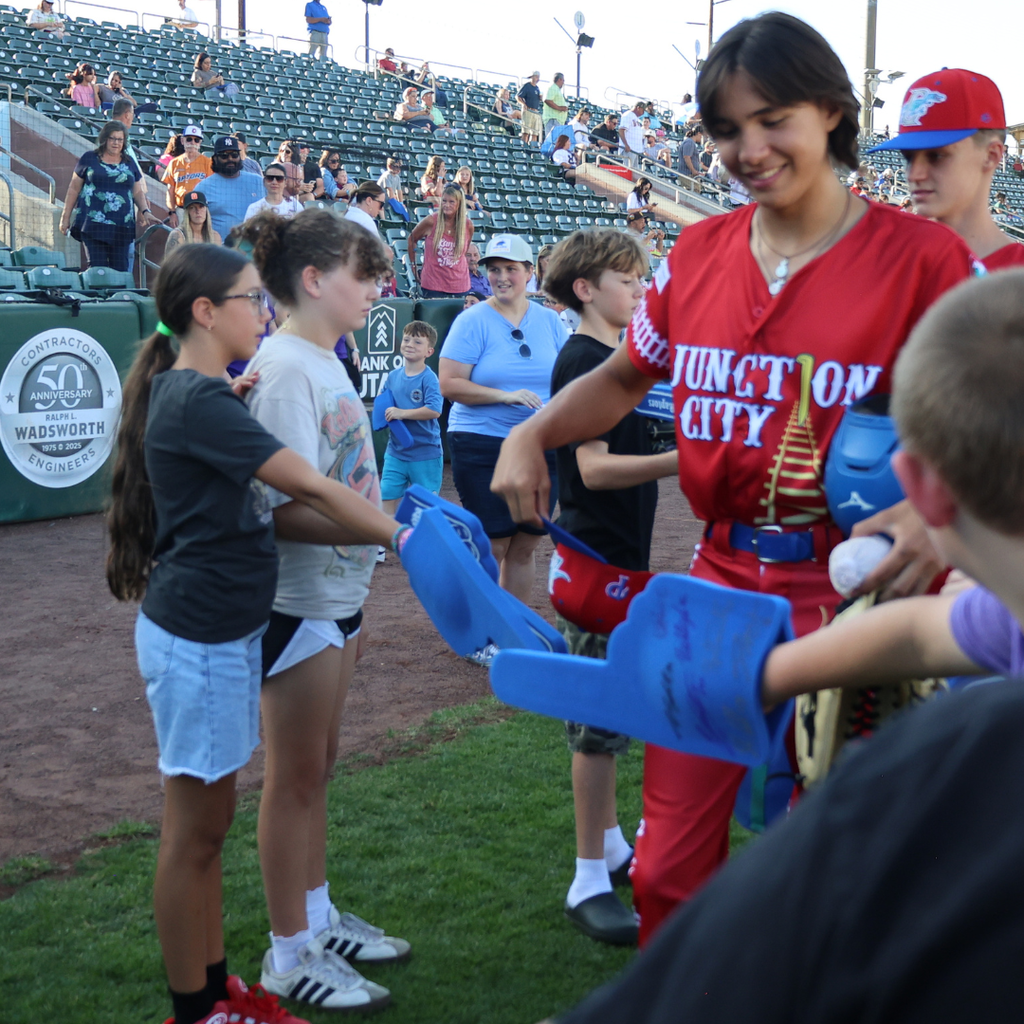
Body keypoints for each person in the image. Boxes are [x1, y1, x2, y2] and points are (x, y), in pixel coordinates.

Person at [490, 11, 978, 947]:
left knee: (847, 868)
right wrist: (535, 434)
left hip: (857, 593)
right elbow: (628, 376)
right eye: (724, 129)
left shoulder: (925, 262)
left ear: (832, 112)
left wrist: (932, 517)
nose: (747, 148)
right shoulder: (702, 255)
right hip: (715, 586)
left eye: (772, 119)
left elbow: (993, 426)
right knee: (671, 868)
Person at [553, 268, 1024, 1024]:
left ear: (918, 490)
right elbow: (922, 628)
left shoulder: (973, 749)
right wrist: (754, 675)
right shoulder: (1004, 626)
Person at [105, 243, 411, 1024]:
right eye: (248, 299)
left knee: (206, 830)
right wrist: (403, 537)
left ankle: (217, 995)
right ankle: (199, 1008)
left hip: (215, 634)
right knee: (195, 836)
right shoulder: (200, 399)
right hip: (199, 638)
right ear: (206, 313)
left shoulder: (205, 392)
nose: (262, 310)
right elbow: (306, 483)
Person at [239, 210, 410, 1013]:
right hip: (298, 601)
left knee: (320, 768)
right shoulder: (285, 369)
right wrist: (390, 533)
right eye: (365, 273)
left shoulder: (324, 360)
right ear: (314, 280)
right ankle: (287, 952)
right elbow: (281, 509)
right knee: (294, 777)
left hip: (338, 595)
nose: (379, 289)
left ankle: (315, 917)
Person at [543, 229, 679, 946]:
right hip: (597, 559)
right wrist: (682, 461)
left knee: (613, 710)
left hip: (616, 556)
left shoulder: (614, 360)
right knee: (597, 726)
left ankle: (616, 845)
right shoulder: (581, 359)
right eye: (628, 279)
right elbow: (592, 469)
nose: (641, 291)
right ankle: (588, 876)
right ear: (586, 289)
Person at [438, 233, 566, 612]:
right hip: (482, 442)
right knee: (493, 543)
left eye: (511, 269)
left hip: (542, 447)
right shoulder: (472, 320)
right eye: (494, 269)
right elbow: (450, 384)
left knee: (526, 543)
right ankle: (481, 630)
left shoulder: (549, 321)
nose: (502, 277)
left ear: (531, 273)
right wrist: (504, 396)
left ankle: (513, 630)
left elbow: (566, 379)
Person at [866, 69, 1024, 271]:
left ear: (991, 155)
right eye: (909, 158)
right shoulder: (882, 261)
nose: (914, 174)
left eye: (936, 156)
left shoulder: (1017, 275)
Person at [59, 121, 157, 270]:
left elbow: (137, 191)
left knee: (120, 271)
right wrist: (65, 217)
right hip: (93, 225)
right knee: (97, 271)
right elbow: (73, 188)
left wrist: (145, 211)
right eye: (112, 138)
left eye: (120, 139)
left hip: (121, 227)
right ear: (105, 139)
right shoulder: (89, 158)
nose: (116, 143)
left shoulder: (130, 163)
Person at [379, 321, 444, 520]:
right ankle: (382, 549)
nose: (410, 344)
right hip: (395, 452)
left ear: (429, 351)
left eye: (417, 342)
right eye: (407, 339)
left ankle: (421, 548)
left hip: (426, 453)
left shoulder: (429, 378)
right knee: (385, 499)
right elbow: (383, 405)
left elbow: (434, 410)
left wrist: (402, 413)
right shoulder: (392, 376)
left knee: (425, 509)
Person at [408, 185, 474, 298]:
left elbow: (465, 249)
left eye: (451, 202)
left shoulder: (468, 225)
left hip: (460, 285)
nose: (447, 205)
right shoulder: (431, 221)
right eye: (444, 201)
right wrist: (413, 266)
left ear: (459, 204)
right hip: (433, 285)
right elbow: (412, 239)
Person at [199, 136, 265, 241]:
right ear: (215, 159)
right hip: (221, 251)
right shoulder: (203, 188)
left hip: (255, 249)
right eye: (224, 156)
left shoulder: (258, 182)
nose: (230, 159)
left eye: (234, 155)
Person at [162, 124, 212, 227]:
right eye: (189, 139)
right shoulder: (174, 163)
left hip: (201, 210)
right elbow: (170, 191)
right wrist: (172, 212)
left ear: (200, 143)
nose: (192, 143)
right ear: (182, 141)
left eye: (196, 140)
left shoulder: (208, 163)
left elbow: (212, 190)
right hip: (181, 209)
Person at [165, 190, 222, 254]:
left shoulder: (215, 236)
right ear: (187, 212)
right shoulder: (178, 235)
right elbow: (171, 263)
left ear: (206, 210)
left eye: (201, 207)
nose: (198, 211)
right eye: (192, 207)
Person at [517, 72, 544, 145]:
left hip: (536, 111)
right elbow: (518, 97)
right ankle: (524, 147)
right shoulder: (527, 86)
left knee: (535, 133)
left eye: (538, 77)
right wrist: (523, 104)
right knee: (526, 132)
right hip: (528, 110)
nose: (537, 79)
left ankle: (533, 148)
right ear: (532, 77)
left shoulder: (537, 88)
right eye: (536, 77)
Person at [618, 101, 646, 167]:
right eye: (643, 110)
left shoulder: (635, 118)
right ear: (638, 108)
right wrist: (626, 145)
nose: (644, 112)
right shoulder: (628, 115)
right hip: (629, 148)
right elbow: (621, 130)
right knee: (628, 170)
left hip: (635, 149)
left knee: (634, 173)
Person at [544, 72, 569, 138]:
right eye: (563, 80)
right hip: (553, 120)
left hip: (557, 120)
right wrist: (560, 108)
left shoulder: (556, 89)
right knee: (552, 141)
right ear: (559, 80)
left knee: (556, 142)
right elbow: (548, 100)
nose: (563, 82)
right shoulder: (553, 87)